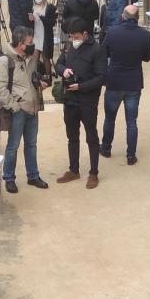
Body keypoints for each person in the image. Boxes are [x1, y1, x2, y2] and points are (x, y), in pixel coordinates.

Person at [0, 26, 51, 194]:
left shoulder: (29, 57)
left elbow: (29, 78)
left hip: (33, 109)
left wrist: (39, 83)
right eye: (29, 42)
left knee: (31, 144)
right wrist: (14, 106)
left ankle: (33, 176)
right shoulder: (5, 61)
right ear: (19, 44)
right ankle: (9, 178)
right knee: (13, 145)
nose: (32, 45)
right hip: (19, 110)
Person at [55, 18, 106, 189]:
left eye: (75, 37)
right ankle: (74, 170)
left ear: (85, 34)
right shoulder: (69, 46)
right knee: (72, 136)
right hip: (70, 100)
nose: (73, 40)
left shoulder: (97, 50)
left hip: (88, 101)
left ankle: (94, 173)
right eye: (71, 37)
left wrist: (81, 86)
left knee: (91, 136)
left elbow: (101, 78)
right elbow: (58, 64)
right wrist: (64, 71)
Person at [101, 5, 150, 165]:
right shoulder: (145, 34)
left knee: (109, 119)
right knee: (131, 121)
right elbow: (147, 57)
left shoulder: (112, 32)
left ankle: (106, 148)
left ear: (123, 16)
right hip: (133, 81)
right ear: (137, 17)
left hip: (114, 80)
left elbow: (105, 53)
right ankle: (130, 155)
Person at [30, 0, 57, 76]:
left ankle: (48, 77)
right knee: (34, 57)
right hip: (36, 34)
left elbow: (51, 23)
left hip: (46, 35)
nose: (36, 0)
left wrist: (42, 17)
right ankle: (34, 76)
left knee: (46, 58)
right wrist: (31, 19)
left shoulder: (49, 7)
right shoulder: (33, 6)